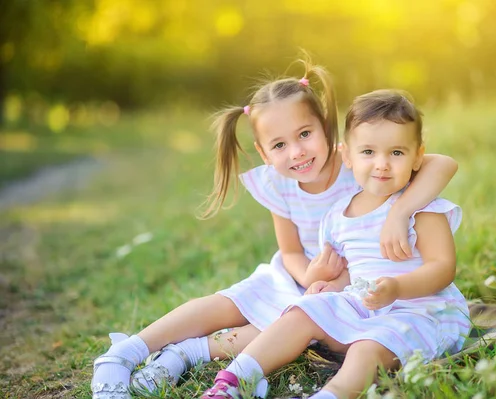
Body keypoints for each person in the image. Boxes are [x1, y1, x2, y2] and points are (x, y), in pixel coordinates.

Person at [90, 59, 459, 399]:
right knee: (227, 304)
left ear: (327, 130)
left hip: (349, 284)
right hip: (304, 273)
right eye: (279, 145)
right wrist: (312, 275)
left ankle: (183, 355)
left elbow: (440, 163)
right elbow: (291, 250)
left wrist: (401, 213)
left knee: (282, 325)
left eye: (304, 134)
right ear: (264, 153)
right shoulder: (281, 182)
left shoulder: (364, 160)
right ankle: (126, 352)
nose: (296, 152)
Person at [200, 89, 470, 399]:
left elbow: (443, 268)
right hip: (363, 307)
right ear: (348, 157)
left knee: (366, 348)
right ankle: (235, 380)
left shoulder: (423, 208)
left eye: (396, 153)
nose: (382, 164)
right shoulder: (338, 215)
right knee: (303, 312)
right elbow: (351, 270)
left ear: (418, 156)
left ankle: (332, 394)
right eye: (368, 152)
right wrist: (330, 287)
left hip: (421, 313)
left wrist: (397, 289)